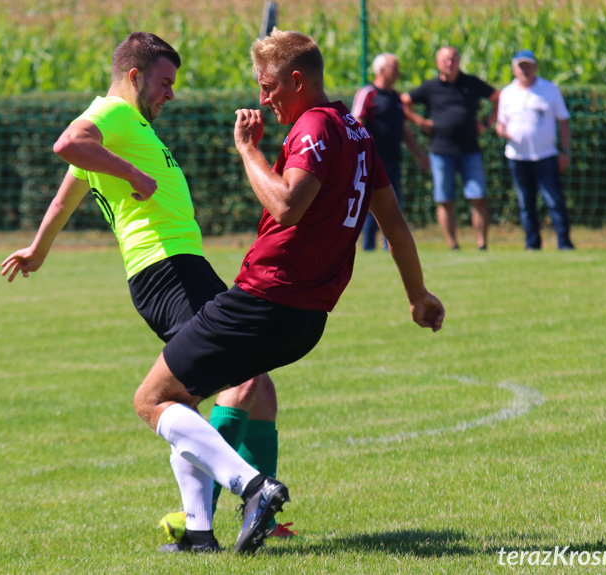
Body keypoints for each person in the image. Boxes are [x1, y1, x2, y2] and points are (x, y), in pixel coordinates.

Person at [132, 29, 444, 555]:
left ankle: (253, 487)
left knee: (153, 399)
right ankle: (202, 534)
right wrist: (418, 295)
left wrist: (248, 150)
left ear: (297, 80)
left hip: (265, 300)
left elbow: (286, 205)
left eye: (269, 85)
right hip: (307, 320)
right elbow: (394, 224)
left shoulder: (315, 128)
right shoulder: (357, 133)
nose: (263, 97)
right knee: (200, 400)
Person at [0, 32, 290, 554]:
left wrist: (39, 248)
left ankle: (202, 532)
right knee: (208, 389)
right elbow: (68, 144)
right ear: (134, 77)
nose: (170, 95)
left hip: (181, 271)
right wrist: (133, 174)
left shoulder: (124, 126)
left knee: (218, 390)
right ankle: (253, 489)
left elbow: (72, 183)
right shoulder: (111, 113)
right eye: (164, 82)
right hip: (167, 273)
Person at [401, 46, 499, 250]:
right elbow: (404, 102)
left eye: (453, 59)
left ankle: (482, 244)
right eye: (445, 60)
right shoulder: (430, 87)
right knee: (445, 200)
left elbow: (497, 97)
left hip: (470, 150)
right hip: (441, 151)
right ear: (438, 63)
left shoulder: (471, 83)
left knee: (477, 197)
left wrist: (488, 122)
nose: (450, 63)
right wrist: (420, 122)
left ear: (459, 61)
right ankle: (452, 245)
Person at [496, 50, 574, 250]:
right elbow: (500, 124)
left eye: (528, 66)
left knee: (554, 200)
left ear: (535, 67)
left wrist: (565, 151)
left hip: (546, 155)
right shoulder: (507, 93)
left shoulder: (549, 89)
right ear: (514, 69)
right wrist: (503, 131)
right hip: (517, 157)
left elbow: (563, 121)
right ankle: (532, 244)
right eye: (521, 67)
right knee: (525, 203)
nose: (525, 70)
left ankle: (564, 242)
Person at [352, 52, 429, 251]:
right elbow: (356, 124)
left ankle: (391, 247)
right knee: (372, 207)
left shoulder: (396, 97)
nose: (398, 72)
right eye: (394, 68)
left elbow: (403, 130)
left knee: (393, 207)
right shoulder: (367, 93)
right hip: (371, 161)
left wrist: (419, 155)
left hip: (394, 161)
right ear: (380, 70)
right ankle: (368, 248)